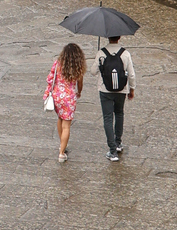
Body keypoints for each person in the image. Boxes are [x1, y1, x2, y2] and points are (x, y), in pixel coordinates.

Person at [96, 34, 137, 162]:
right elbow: (131, 74)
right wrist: (132, 89)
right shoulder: (125, 54)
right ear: (119, 37)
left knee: (108, 118)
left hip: (105, 90)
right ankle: (118, 143)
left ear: (107, 37)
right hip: (121, 90)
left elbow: (92, 71)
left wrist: (99, 62)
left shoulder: (101, 53)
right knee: (119, 113)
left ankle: (112, 151)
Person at [45, 41, 86, 164]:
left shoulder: (57, 64)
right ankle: (61, 153)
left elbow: (50, 78)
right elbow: (80, 84)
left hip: (57, 96)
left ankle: (61, 144)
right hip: (69, 98)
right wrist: (79, 92)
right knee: (66, 125)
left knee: (60, 119)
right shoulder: (78, 67)